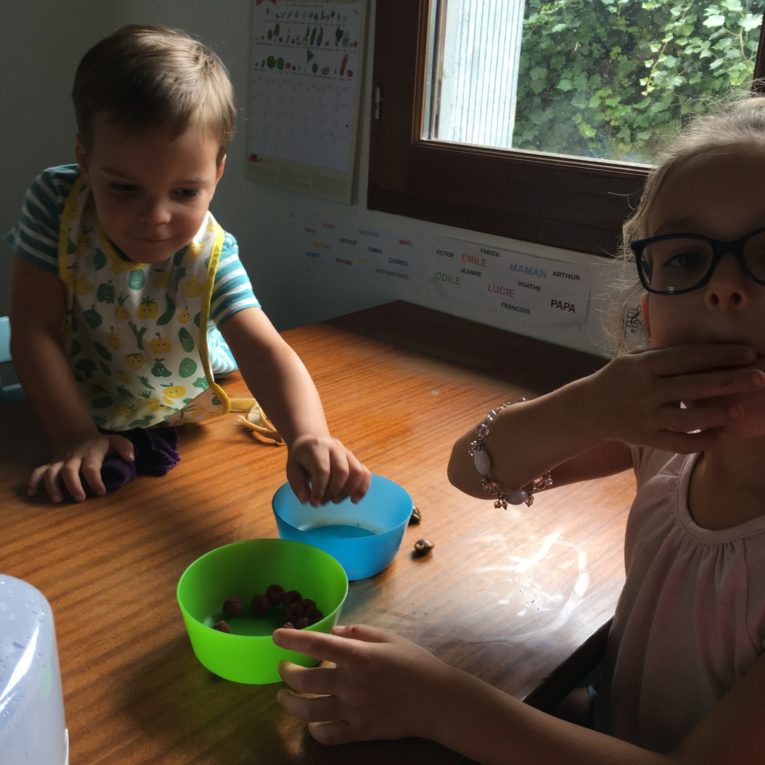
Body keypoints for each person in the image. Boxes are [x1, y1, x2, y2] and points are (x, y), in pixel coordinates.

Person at [272, 95, 765, 763]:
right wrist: (591, 403)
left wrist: (439, 702)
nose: (724, 287)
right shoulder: (665, 438)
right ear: (648, 313)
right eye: (684, 259)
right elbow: (473, 470)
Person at [6, 24, 370, 506]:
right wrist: (75, 435)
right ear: (85, 160)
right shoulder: (57, 204)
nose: (156, 216)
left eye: (184, 192)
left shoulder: (210, 255)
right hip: (75, 399)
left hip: (181, 402)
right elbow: (35, 329)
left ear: (216, 174)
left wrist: (309, 435)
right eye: (124, 188)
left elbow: (265, 350)